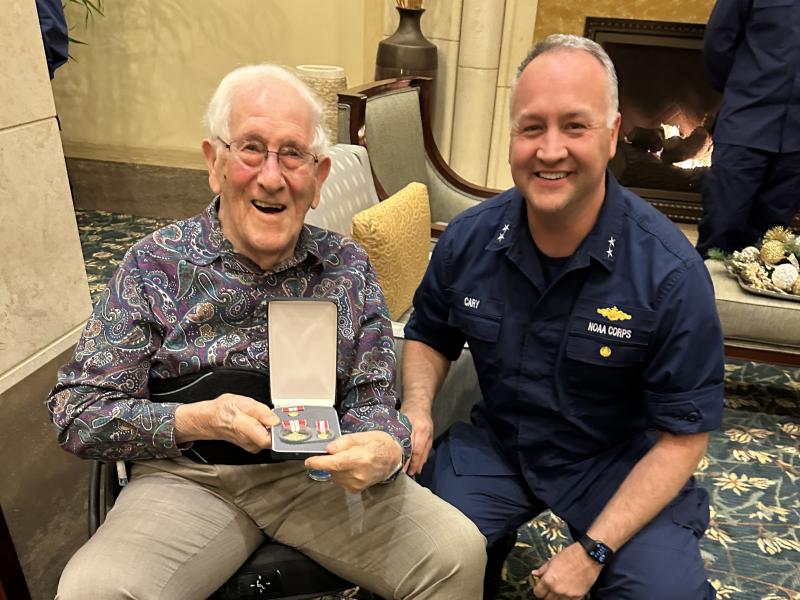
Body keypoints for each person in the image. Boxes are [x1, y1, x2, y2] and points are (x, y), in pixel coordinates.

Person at [47, 64, 485, 600]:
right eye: (251, 148)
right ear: (215, 163)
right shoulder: (154, 265)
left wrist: (382, 447)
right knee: (94, 592)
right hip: (188, 478)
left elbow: (373, 398)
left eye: (293, 154)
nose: (272, 177)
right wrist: (196, 419)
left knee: (456, 554)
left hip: (317, 479)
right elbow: (77, 412)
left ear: (319, 177)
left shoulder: (347, 267)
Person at [401, 35, 724, 600]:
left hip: (620, 460)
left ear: (614, 130)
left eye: (575, 126)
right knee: (413, 559)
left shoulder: (670, 273)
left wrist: (595, 550)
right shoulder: (470, 240)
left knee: (662, 594)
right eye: (532, 127)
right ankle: (482, 550)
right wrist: (418, 409)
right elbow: (429, 333)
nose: (550, 150)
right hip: (503, 445)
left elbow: (684, 437)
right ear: (512, 135)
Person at [696, 0, 800, 256]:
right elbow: (717, 44)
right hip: (746, 124)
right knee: (720, 228)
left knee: (771, 245)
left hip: (796, 143)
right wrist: (743, 89)